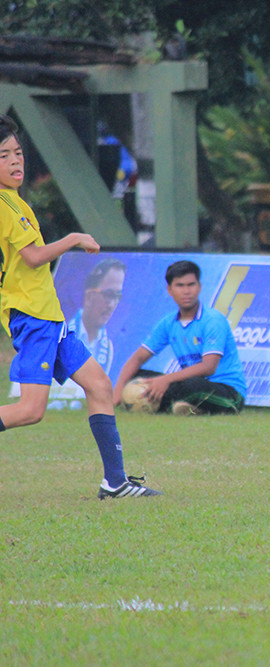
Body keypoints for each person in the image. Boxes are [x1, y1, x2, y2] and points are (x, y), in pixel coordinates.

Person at [0, 113, 160, 499]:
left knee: (100, 385)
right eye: (4, 155)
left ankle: (115, 482)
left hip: (49, 318)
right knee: (30, 410)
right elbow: (35, 257)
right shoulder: (4, 204)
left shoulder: (15, 201)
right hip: (34, 319)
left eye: (18, 152)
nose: (16, 161)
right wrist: (73, 237)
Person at [113, 260, 247, 416]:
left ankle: (177, 405)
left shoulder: (213, 320)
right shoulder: (168, 323)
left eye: (191, 285)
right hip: (186, 385)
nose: (186, 291)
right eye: (180, 286)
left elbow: (208, 367)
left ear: (199, 287)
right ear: (169, 290)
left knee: (192, 386)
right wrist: (118, 391)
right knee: (137, 376)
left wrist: (166, 380)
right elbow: (137, 358)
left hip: (227, 391)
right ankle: (188, 407)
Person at [69, 258, 127, 376]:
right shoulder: (62, 335)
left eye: (117, 296)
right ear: (89, 296)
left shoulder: (107, 348)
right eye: (108, 295)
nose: (111, 304)